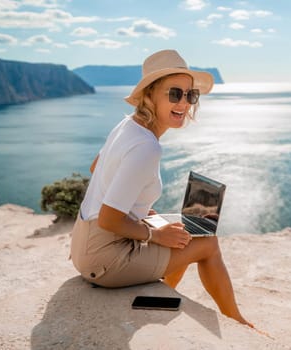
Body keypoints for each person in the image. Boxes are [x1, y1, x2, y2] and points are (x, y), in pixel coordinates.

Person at [70, 49, 252, 327]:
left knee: (188, 226)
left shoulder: (126, 125)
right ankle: (236, 320)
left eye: (190, 95)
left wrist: (135, 208)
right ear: (150, 94)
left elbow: (98, 167)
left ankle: (164, 288)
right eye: (174, 94)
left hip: (86, 242)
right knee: (208, 244)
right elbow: (108, 220)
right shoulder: (147, 146)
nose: (185, 103)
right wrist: (153, 235)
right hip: (104, 258)